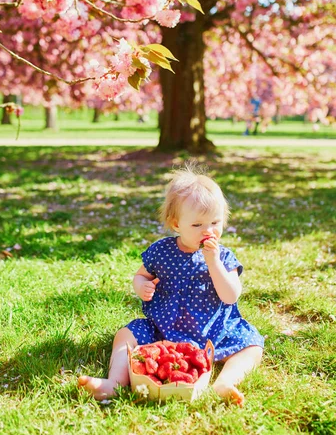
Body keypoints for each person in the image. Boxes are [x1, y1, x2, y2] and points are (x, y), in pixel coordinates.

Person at [78, 164, 264, 406]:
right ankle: (114, 382)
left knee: (252, 345)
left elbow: (230, 296)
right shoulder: (162, 251)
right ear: (176, 224)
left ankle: (225, 382)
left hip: (215, 332)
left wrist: (213, 262)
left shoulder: (224, 257)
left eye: (215, 223)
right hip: (163, 331)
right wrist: (141, 286)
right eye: (197, 225)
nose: (208, 231)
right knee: (125, 335)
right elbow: (141, 275)